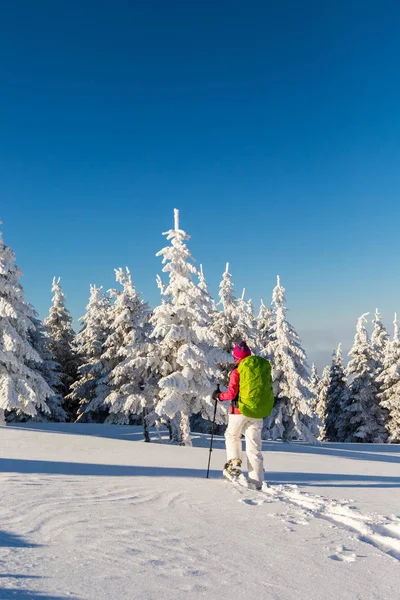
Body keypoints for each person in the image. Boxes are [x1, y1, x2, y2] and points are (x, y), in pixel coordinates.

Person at [213, 341, 274, 490]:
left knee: (232, 436)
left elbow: (232, 393)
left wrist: (219, 396)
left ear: (237, 357)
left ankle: (234, 466)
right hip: (257, 412)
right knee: (254, 446)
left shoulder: (238, 370)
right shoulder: (260, 368)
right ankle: (257, 480)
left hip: (239, 410)